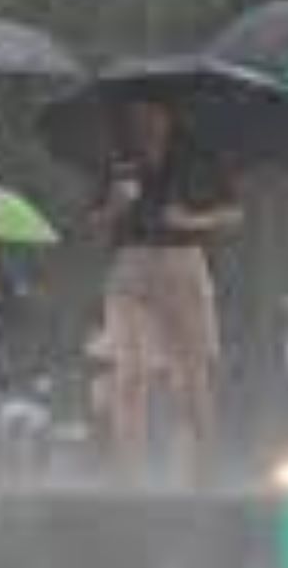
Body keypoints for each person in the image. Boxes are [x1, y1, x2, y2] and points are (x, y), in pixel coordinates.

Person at [94, 97, 240, 483]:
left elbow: (233, 212)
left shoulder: (197, 156)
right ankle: (128, 474)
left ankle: (205, 469)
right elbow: (93, 218)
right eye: (137, 114)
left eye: (153, 112)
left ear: (169, 113)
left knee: (192, 372)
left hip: (182, 260)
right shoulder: (118, 159)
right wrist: (113, 205)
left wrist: (193, 220)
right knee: (129, 371)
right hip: (130, 263)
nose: (144, 121)